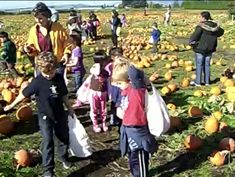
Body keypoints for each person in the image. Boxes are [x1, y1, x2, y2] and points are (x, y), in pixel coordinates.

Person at [4, 52, 74, 177]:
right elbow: (23, 94)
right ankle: (48, 170)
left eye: (51, 72)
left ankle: (63, 157)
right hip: (45, 116)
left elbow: (64, 95)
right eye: (46, 74)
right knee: (47, 141)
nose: (49, 76)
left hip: (59, 113)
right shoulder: (37, 82)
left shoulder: (58, 78)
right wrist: (11, 105)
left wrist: (69, 108)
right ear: (40, 69)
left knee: (63, 137)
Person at [112, 60, 157, 177]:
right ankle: (134, 174)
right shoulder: (126, 91)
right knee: (132, 156)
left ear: (130, 80)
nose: (118, 87)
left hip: (139, 131)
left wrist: (127, 64)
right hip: (128, 130)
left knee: (139, 157)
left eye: (120, 83)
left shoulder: (136, 90)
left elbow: (135, 74)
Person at [24, 2, 72, 77]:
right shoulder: (33, 30)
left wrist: (66, 54)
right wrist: (29, 49)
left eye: (40, 18)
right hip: (41, 65)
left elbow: (68, 43)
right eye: (36, 18)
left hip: (57, 63)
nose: (38, 21)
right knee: (42, 86)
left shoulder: (58, 28)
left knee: (57, 85)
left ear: (47, 17)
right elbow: (32, 48)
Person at [189, 11, 224, 86]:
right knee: (207, 65)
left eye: (200, 17)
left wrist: (191, 42)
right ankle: (207, 82)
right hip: (210, 48)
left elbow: (195, 36)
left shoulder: (201, 26)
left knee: (199, 65)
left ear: (203, 17)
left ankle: (198, 82)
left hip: (200, 48)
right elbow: (221, 32)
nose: (199, 18)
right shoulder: (215, 26)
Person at [89, 50, 109, 133]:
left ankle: (104, 123)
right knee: (94, 108)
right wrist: (98, 66)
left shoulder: (105, 72)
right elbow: (95, 72)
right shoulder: (94, 69)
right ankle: (95, 124)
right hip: (94, 92)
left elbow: (107, 80)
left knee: (103, 109)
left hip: (103, 92)